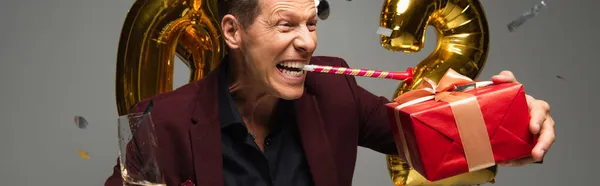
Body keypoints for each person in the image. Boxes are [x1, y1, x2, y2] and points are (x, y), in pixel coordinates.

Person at [104, 0, 556, 185]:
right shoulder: (160, 122)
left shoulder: (333, 90)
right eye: (286, 24)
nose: (307, 42)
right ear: (233, 32)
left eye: (311, 24)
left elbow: (435, 138)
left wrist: (515, 122)